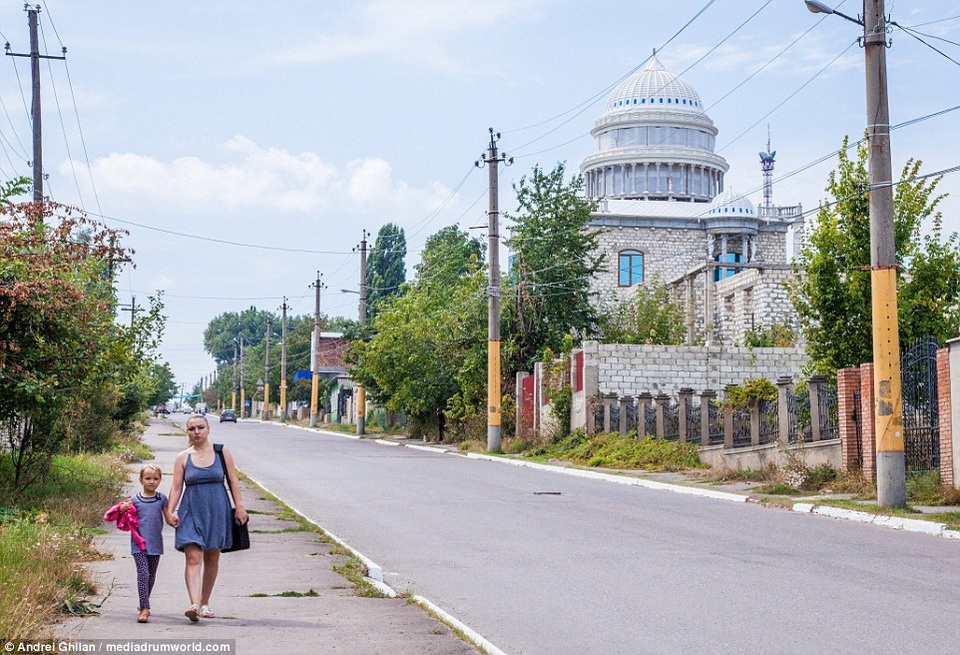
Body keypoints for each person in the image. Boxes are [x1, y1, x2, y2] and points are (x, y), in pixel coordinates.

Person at [167, 414, 247, 622]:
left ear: (208, 429)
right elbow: (176, 487)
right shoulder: (182, 457)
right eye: (192, 429)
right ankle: (193, 604)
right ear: (188, 432)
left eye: (200, 428)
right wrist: (169, 510)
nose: (196, 432)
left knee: (212, 556)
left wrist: (239, 507)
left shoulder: (221, 452)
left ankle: (204, 603)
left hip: (217, 509)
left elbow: (233, 481)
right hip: (191, 510)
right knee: (193, 556)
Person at [104, 464, 175, 623]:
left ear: (160, 480)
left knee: (151, 576)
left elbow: (168, 517)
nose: (151, 482)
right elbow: (114, 515)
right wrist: (123, 508)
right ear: (141, 480)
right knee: (143, 574)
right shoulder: (134, 500)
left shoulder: (161, 499)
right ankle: (145, 608)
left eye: (155, 479)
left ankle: (144, 602)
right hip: (139, 544)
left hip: (156, 544)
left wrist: (175, 521)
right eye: (148, 478)